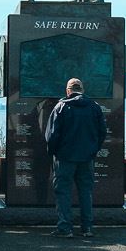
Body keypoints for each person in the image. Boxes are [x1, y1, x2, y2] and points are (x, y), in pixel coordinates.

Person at [44, 76, 107, 238]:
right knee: (86, 192)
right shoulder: (94, 107)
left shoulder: (61, 107)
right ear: (82, 90)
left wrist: (53, 152)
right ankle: (87, 228)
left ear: (68, 91)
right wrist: (93, 150)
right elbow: (102, 133)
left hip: (64, 158)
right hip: (87, 158)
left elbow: (52, 135)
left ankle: (65, 228)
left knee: (63, 192)